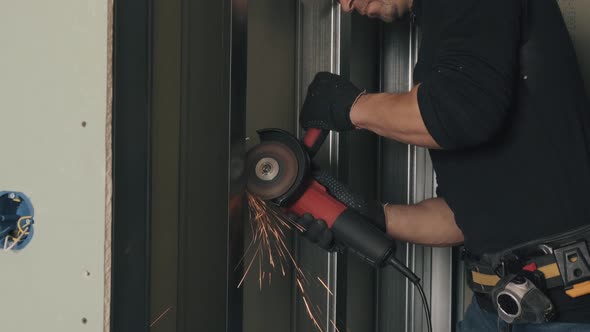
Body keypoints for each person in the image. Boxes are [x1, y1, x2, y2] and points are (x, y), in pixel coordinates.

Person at [296, 0, 590, 330]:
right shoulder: (446, 34)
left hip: (566, 311)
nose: (346, 5)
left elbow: (458, 113)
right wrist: (366, 216)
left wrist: (351, 108)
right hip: (493, 310)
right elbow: (462, 216)